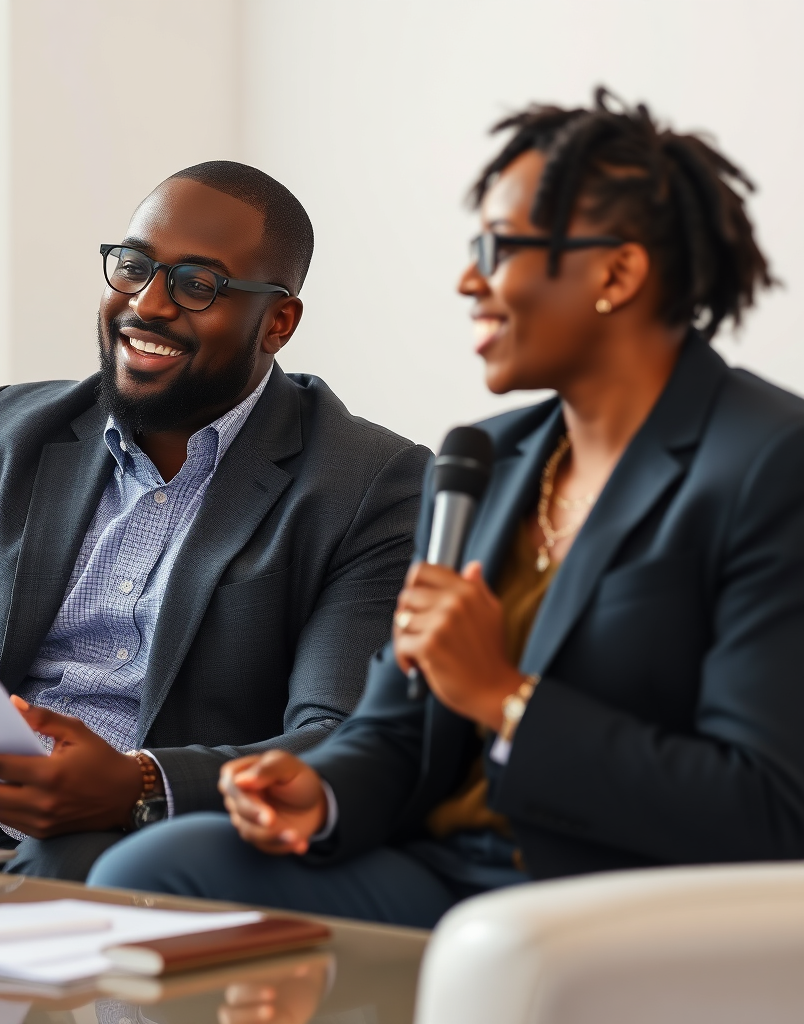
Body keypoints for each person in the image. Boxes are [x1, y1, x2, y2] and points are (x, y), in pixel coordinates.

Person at [87, 90, 804, 928]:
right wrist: (321, 790)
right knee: (153, 868)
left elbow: (767, 808)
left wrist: (506, 699)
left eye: (499, 248)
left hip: (615, 902)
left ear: (616, 273)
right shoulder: (487, 461)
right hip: (445, 872)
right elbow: (397, 728)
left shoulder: (768, 465)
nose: (470, 280)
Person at [0, 160, 430, 880]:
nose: (151, 303)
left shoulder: (370, 484)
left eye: (199, 284)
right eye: (134, 266)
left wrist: (138, 785)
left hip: (130, 847)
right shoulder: (6, 435)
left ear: (279, 323)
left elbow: (339, 740)